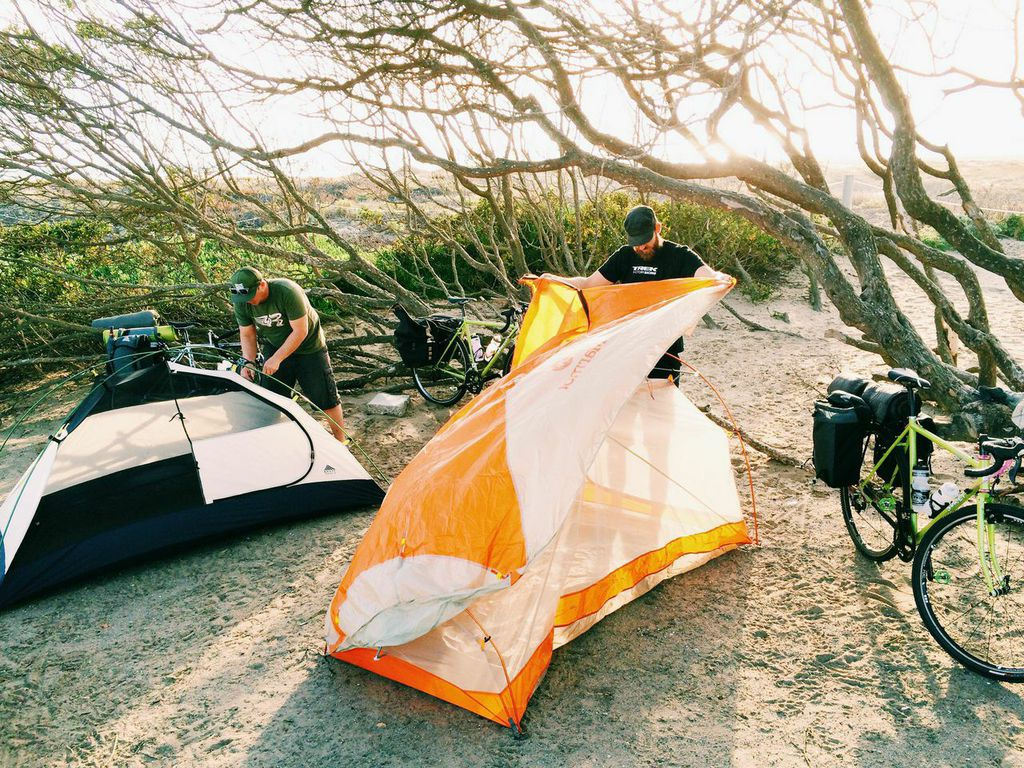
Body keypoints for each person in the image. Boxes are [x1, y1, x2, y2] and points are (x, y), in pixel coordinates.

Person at [541, 204, 729, 381]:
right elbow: (589, 284)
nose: (640, 247)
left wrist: (721, 279)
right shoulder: (624, 256)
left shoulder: (680, 256)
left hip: (664, 349)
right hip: (628, 347)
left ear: (658, 228)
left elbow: (708, 278)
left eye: (644, 241)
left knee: (660, 408)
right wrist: (556, 281)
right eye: (635, 242)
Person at [227, 266, 347, 442]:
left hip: (309, 347)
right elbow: (247, 333)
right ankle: (280, 440)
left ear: (261, 285)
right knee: (272, 400)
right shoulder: (241, 301)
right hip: (275, 345)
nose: (248, 301)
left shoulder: (287, 291)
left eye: (250, 296)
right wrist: (249, 362)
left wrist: (277, 359)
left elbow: (300, 331)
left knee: (325, 398)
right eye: (243, 298)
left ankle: (341, 440)